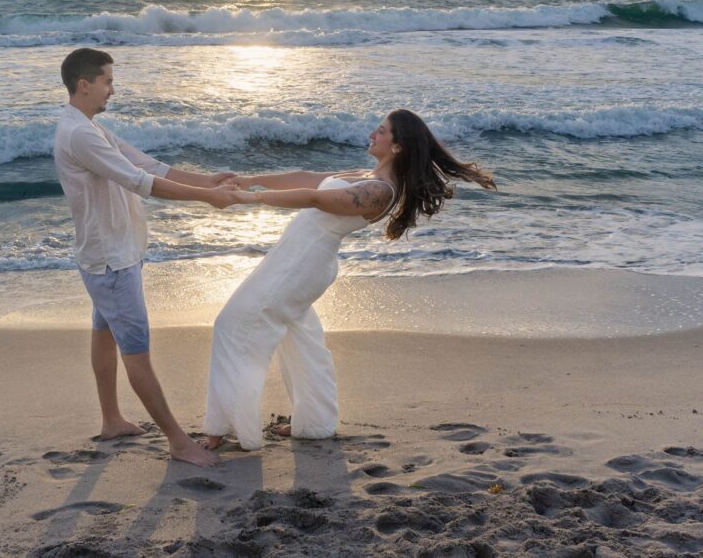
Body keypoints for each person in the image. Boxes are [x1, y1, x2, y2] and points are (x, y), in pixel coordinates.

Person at [203, 109, 496, 451]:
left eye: (382, 130)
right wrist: (251, 180)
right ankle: (313, 423)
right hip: (296, 260)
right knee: (301, 338)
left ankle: (224, 427)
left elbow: (315, 198)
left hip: (299, 265)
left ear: (398, 146)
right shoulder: (366, 176)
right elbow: (308, 179)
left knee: (233, 324)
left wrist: (248, 198)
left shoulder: (380, 190)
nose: (372, 133)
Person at [54, 48, 239, 467]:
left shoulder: (88, 126)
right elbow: (140, 181)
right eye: (107, 81)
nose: (112, 90)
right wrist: (208, 198)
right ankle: (178, 441)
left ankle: (112, 420)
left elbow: (147, 163)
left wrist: (206, 181)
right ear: (84, 85)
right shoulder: (80, 135)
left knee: (104, 333)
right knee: (136, 350)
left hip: (111, 253)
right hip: (111, 260)